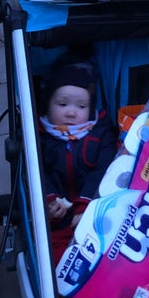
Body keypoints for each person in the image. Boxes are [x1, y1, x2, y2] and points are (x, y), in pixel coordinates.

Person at [38, 56, 118, 265]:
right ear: (48, 105)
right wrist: (49, 199)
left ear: (90, 109)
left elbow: (103, 170)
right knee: (52, 255)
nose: (72, 112)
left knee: (108, 255)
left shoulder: (101, 132)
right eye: (62, 104)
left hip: (96, 213)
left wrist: (87, 205)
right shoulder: (40, 136)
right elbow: (39, 172)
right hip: (57, 220)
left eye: (81, 106)